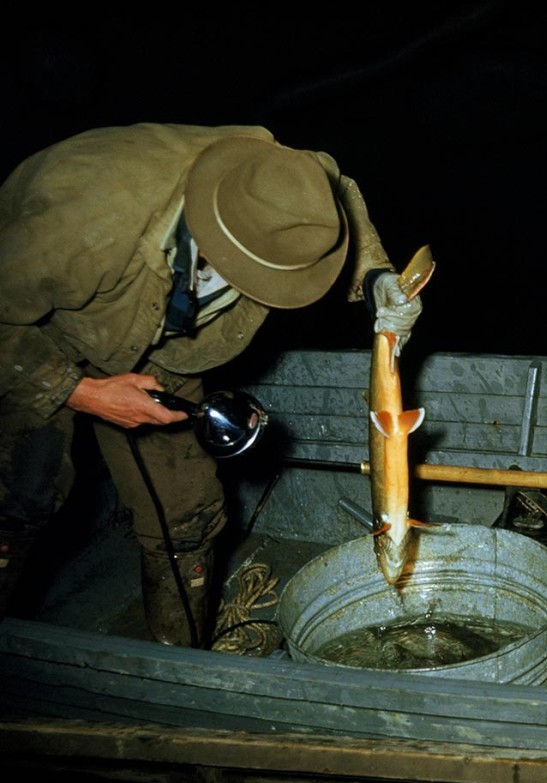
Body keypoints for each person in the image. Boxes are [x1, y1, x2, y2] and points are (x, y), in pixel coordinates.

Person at [0, 123, 425, 647]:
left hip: (161, 339)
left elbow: (338, 196)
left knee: (188, 518)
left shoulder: (282, 177)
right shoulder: (83, 225)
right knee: (21, 499)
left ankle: (179, 661)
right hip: (32, 335)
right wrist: (80, 391)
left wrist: (377, 280)